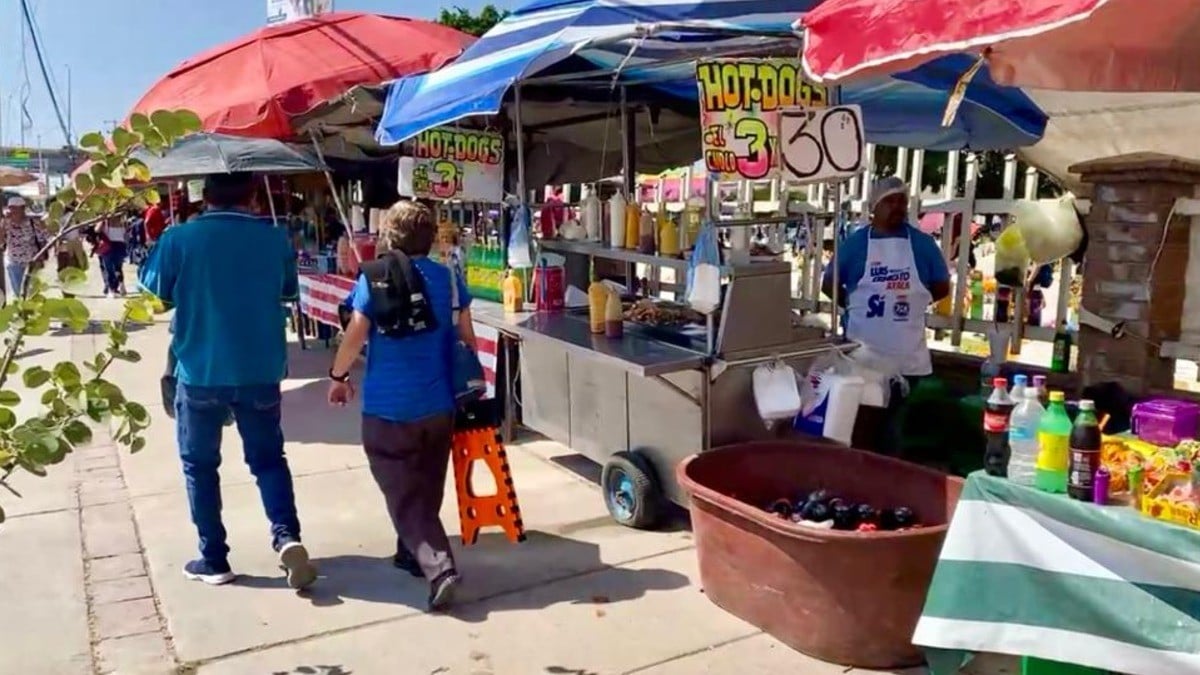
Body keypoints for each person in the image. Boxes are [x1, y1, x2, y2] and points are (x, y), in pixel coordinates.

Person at [138, 172, 315, 589]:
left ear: (205, 197)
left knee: (200, 466)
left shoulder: (179, 239)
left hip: (200, 370)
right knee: (269, 460)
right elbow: (288, 292)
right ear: (253, 196)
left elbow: (155, 298)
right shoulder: (274, 239)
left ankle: (214, 558)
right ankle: (286, 536)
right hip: (260, 369)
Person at [327, 200, 476, 612]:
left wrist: (338, 378)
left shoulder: (373, 279)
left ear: (389, 236)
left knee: (403, 492)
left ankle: (439, 567)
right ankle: (409, 552)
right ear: (430, 239)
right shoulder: (448, 279)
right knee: (425, 484)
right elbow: (466, 336)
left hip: (388, 407)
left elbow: (356, 333)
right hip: (438, 404)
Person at [823, 177, 950, 451]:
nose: (897, 207)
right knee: (863, 427)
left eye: (901, 201)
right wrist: (854, 305)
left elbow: (941, 286)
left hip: (908, 359)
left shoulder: (923, 245)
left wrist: (913, 302)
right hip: (863, 357)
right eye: (889, 201)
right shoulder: (855, 245)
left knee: (894, 431)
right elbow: (829, 284)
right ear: (874, 206)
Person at [1, 196, 47, 302]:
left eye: (17, 208)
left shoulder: (33, 222)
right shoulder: (6, 223)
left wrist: (41, 257)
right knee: (18, 292)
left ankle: (31, 313)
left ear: (23, 209)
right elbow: (1, 242)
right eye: (11, 208)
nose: (14, 211)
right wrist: (3, 224)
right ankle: (23, 315)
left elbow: (43, 239)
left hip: (32, 262)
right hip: (14, 262)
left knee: (32, 292)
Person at [98, 215, 129, 297]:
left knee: (109, 269)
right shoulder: (123, 222)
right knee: (118, 268)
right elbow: (126, 233)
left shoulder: (106, 222)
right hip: (120, 245)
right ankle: (121, 284)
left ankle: (113, 290)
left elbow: (96, 230)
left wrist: (102, 219)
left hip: (108, 246)